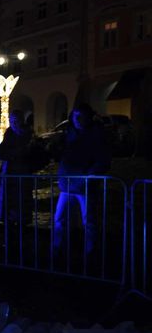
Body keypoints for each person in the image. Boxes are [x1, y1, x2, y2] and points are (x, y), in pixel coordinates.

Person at [52, 103, 111, 260]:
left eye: (81, 116)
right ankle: (58, 249)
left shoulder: (95, 135)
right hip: (67, 183)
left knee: (88, 221)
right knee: (60, 219)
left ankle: (90, 253)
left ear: (88, 117)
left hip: (85, 184)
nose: (78, 119)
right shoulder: (69, 134)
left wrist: (89, 176)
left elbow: (103, 160)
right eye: (75, 116)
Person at [0, 110, 36, 227]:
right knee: (7, 201)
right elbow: (2, 152)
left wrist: (13, 154)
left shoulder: (27, 133)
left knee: (21, 201)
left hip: (21, 173)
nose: (13, 123)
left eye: (16, 120)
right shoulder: (9, 132)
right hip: (8, 172)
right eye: (11, 120)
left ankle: (21, 222)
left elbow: (26, 152)